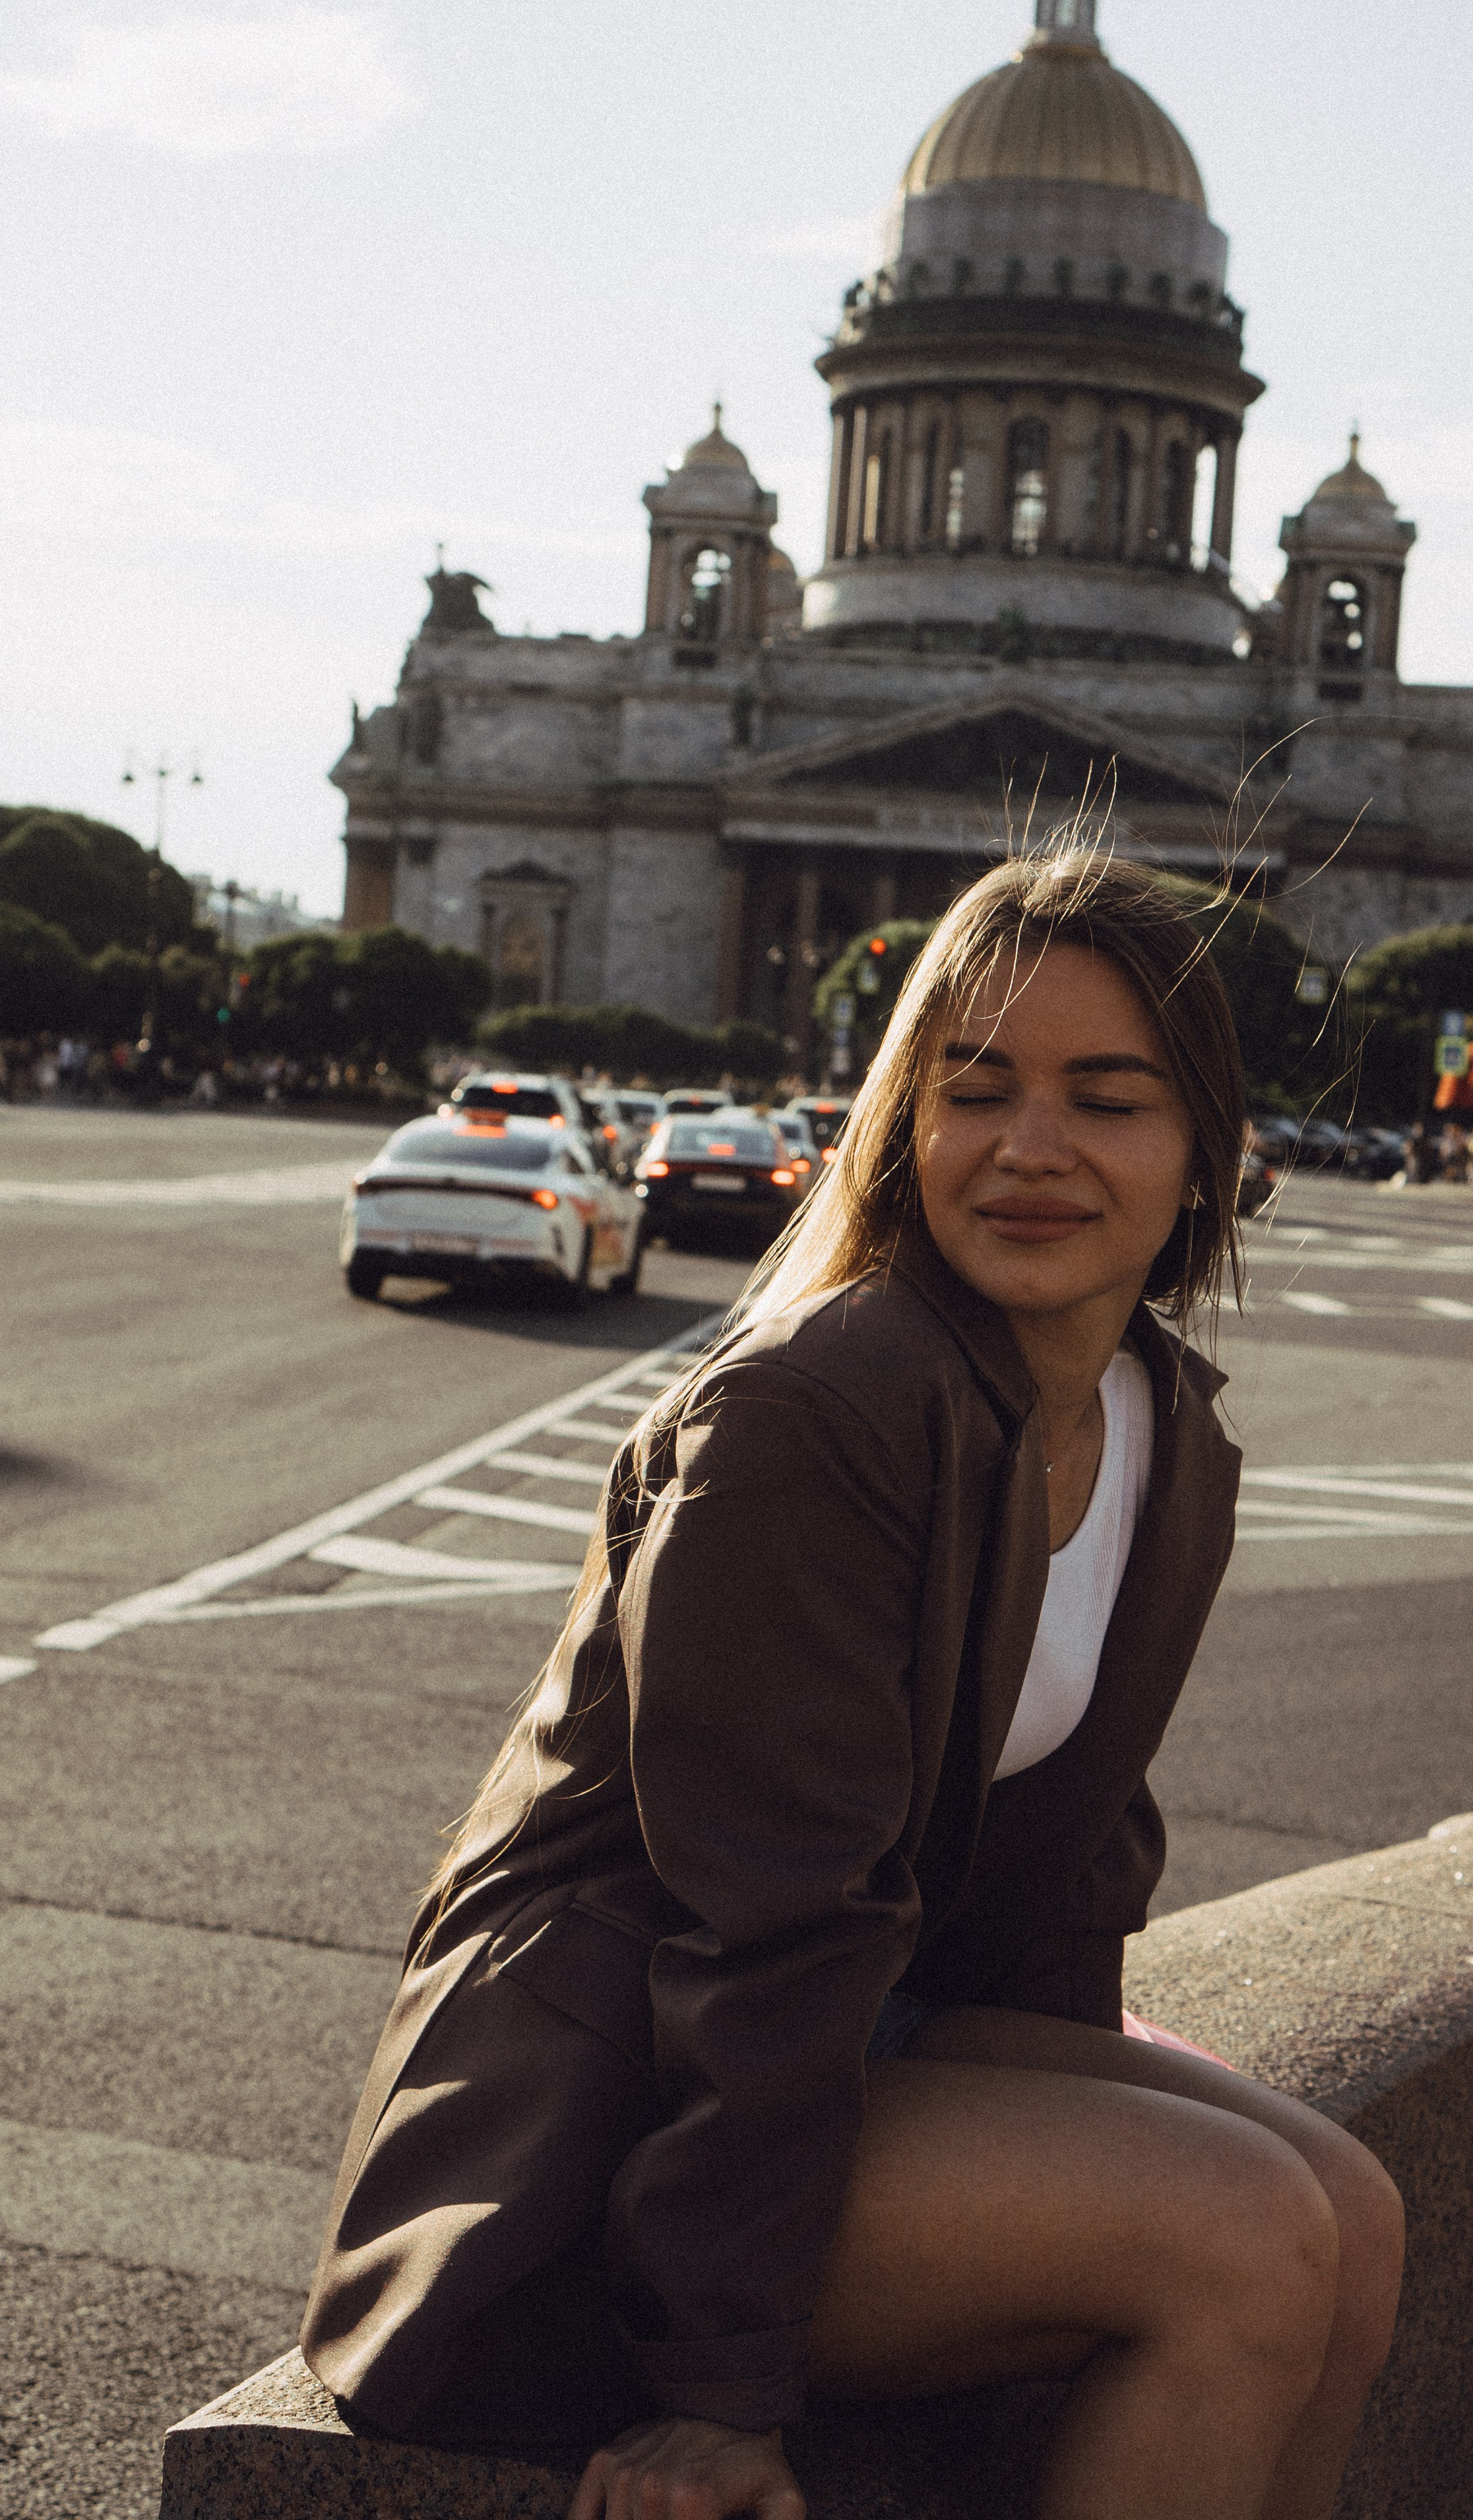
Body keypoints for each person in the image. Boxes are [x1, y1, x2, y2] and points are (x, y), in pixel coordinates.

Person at [301, 848, 1404, 2520]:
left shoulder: (1161, 1426)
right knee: (1242, 2238)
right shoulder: (814, 1409)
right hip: (598, 2131)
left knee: (1350, 2210)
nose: (1030, 1149)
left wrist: (1059, 2129)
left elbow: (1063, 1864)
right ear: (903, 1129)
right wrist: (719, 2392)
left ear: (1203, 1157)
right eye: (974, 1093)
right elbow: (765, 1916)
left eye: (1106, 1100)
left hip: (839, 2049)